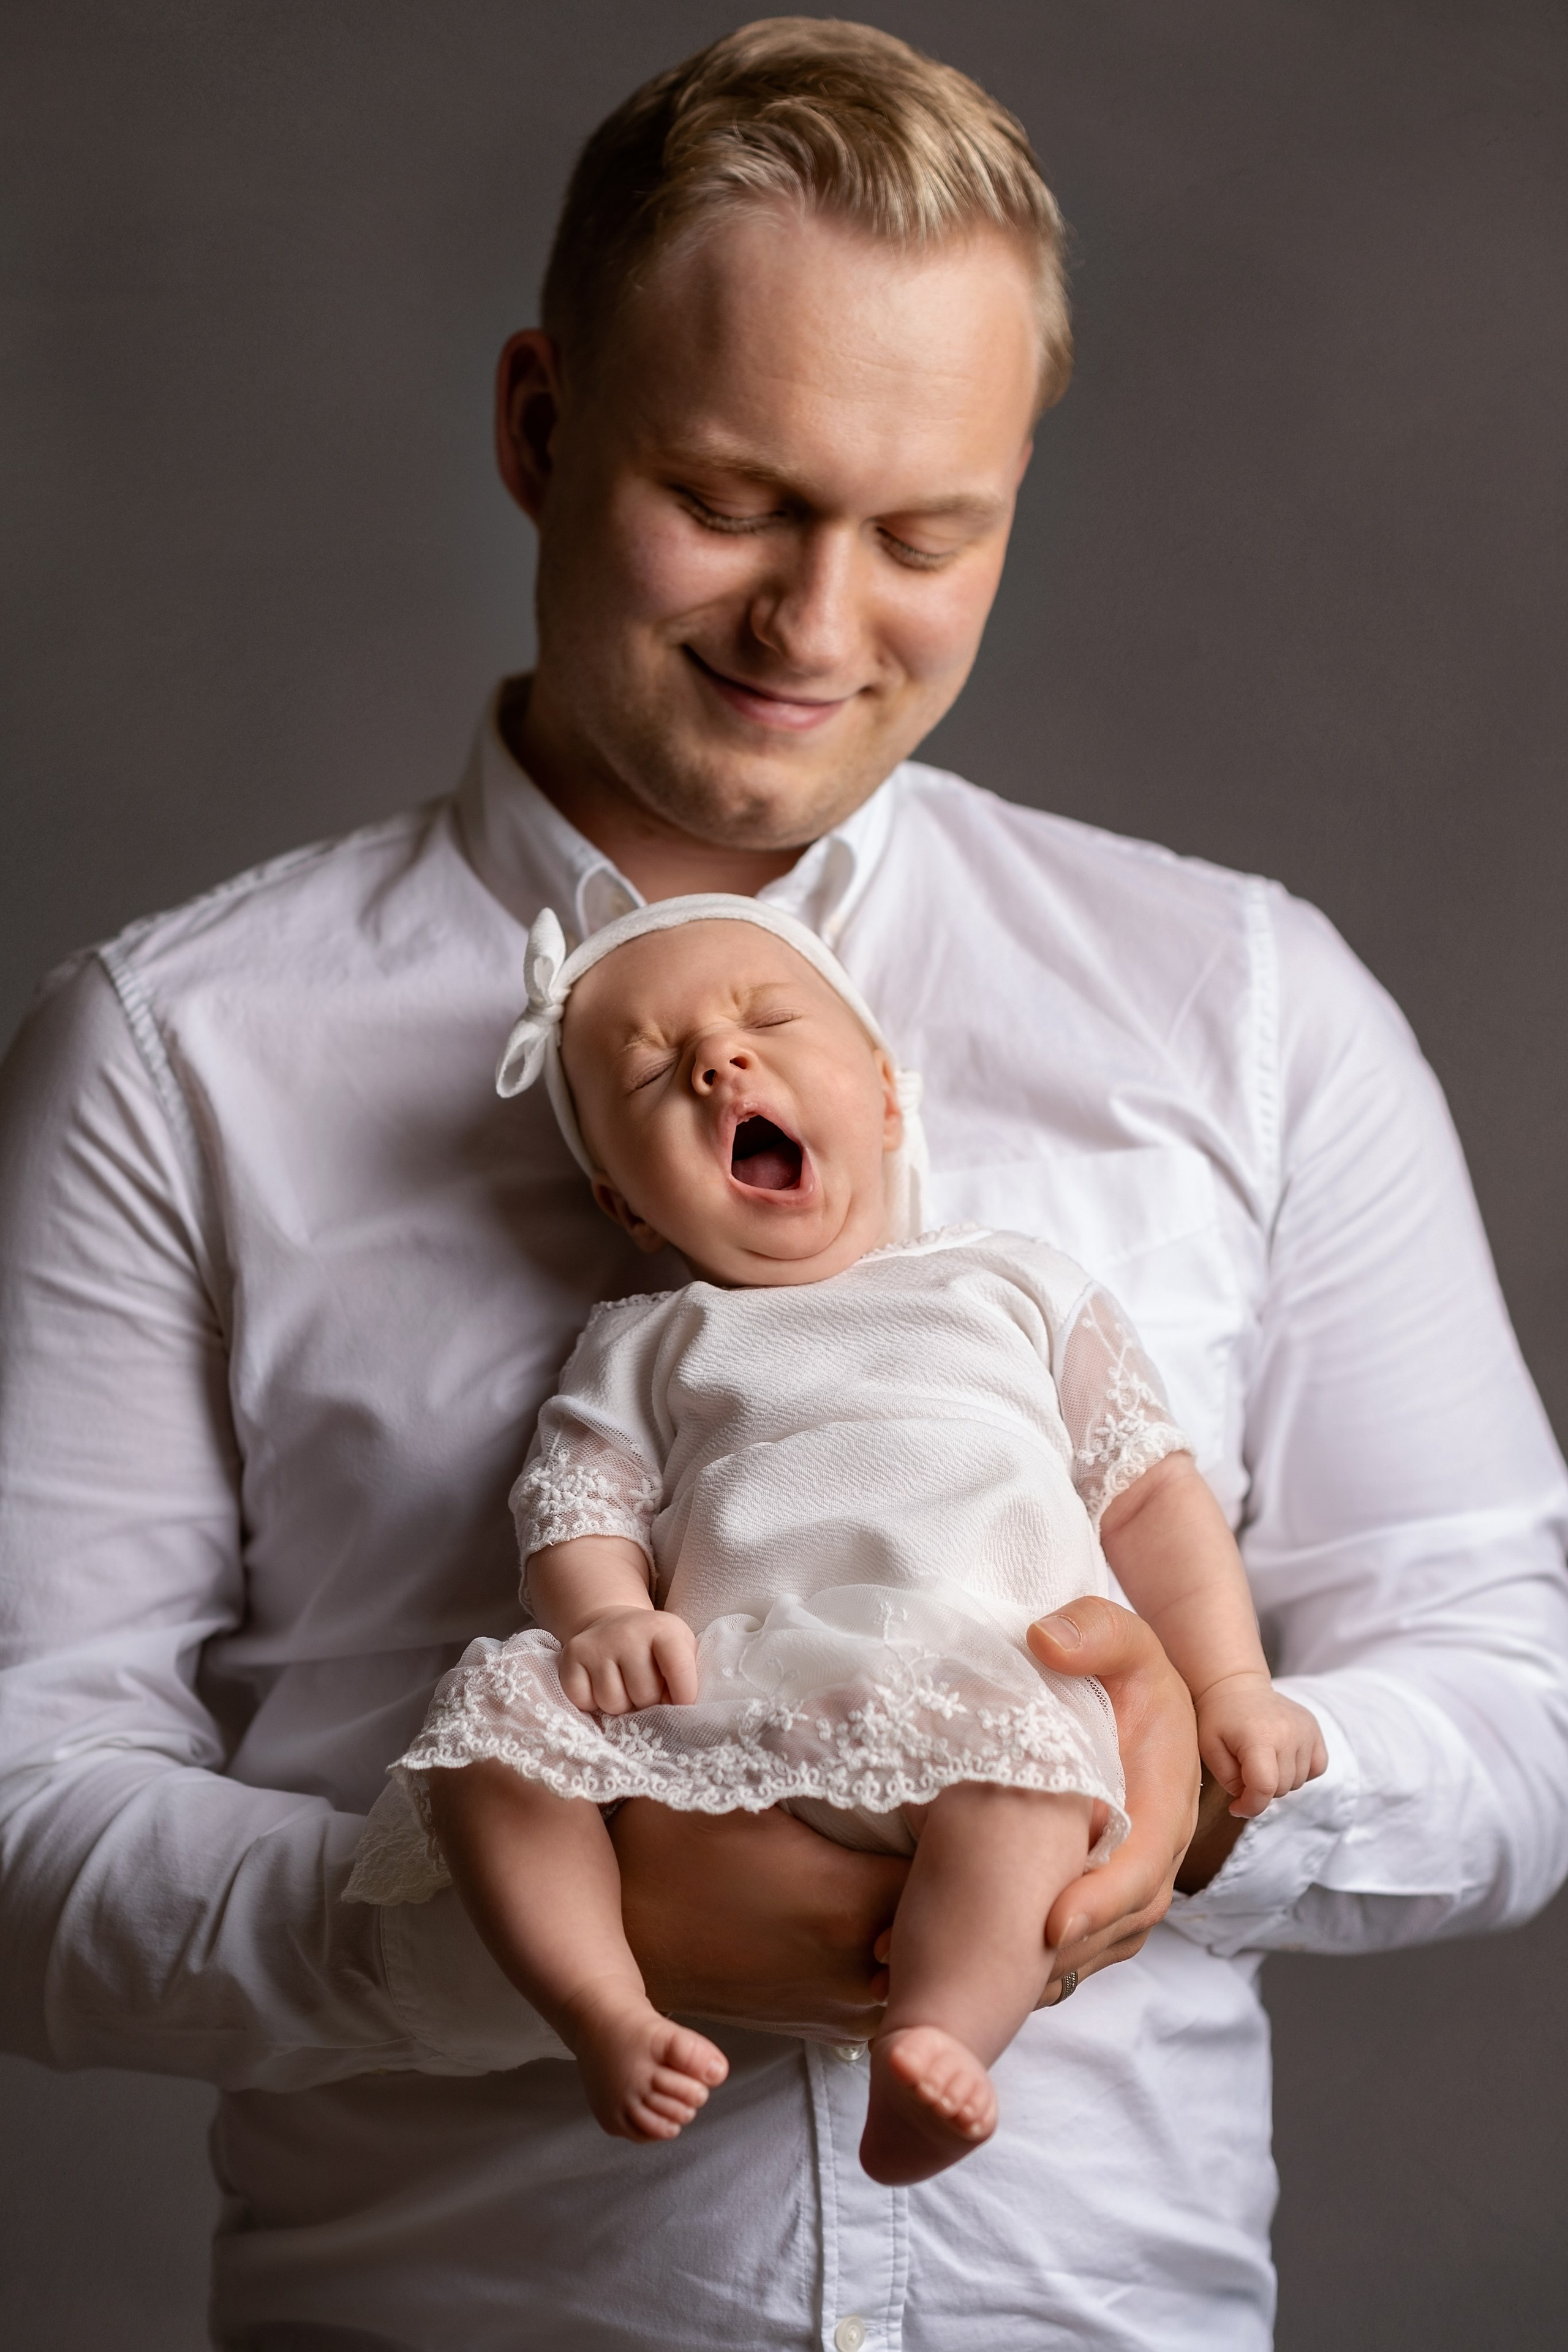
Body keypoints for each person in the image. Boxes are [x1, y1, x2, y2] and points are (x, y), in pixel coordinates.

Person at [0, 17, 1562, 2349]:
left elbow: (1519, 1704)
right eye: (732, 502)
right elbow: (20, 1813)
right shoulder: (173, 1055)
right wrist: (516, 1922)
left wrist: (1203, 1800)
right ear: (541, 428)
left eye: (927, 532)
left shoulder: (1245, 1001)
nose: (816, 632)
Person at [349, 896, 1326, 2185]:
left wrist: (1229, 1686)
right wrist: (599, 1618)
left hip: (966, 1679)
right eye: (653, 1072)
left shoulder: (1013, 1287)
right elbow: (574, 1508)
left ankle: (937, 2045)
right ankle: (602, 2006)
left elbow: (1149, 1499)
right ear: (624, 1203)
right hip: (715, 1703)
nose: (715, 1062)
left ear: (881, 1094)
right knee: (497, 1729)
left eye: (763, 1021)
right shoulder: (648, 1339)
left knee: (1033, 1777)